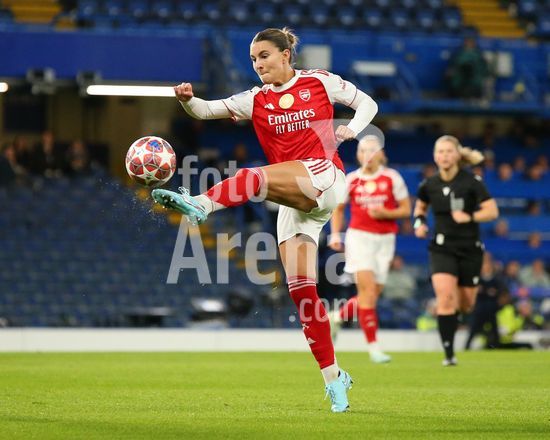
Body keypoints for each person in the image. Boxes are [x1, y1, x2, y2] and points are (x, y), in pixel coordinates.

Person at [151, 27, 378, 412]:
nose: (258, 65)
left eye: (264, 56)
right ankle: (334, 379)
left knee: (252, 177)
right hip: (295, 201)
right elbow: (206, 110)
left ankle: (201, 205)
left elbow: (368, 104)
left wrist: (352, 130)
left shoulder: (319, 82)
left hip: (325, 175)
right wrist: (188, 100)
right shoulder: (255, 100)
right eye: (254, 59)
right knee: (303, 295)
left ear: (286, 54)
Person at [413, 135, 499, 366]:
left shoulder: (472, 182)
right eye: (440, 151)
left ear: (458, 155)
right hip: (441, 248)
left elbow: (492, 211)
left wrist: (469, 216)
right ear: (435, 156)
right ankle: (449, 355)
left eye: (449, 151)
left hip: (470, 248)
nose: (444, 156)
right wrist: (419, 224)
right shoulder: (428, 184)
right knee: (445, 298)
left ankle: (455, 316)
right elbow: (420, 208)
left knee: (467, 303)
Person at [327, 136, 411, 363]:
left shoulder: (392, 178)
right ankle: (374, 348)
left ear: (381, 154)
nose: (368, 155)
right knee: (367, 292)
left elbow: (406, 210)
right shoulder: (352, 179)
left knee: (372, 294)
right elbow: (338, 208)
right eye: (364, 151)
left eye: (373, 150)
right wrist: (335, 234)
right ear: (358, 155)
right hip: (359, 238)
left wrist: (386, 213)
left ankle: (337, 317)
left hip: (385, 241)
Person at [464, 252, 507, 350]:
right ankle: (467, 347)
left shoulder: (496, 279)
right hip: (480, 309)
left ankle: (497, 347)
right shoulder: (476, 279)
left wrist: (495, 296)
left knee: (494, 330)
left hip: (491, 309)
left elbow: (502, 292)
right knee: (473, 330)